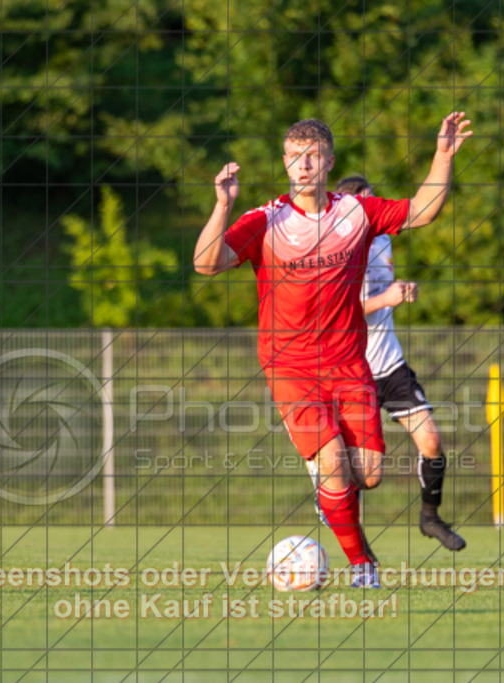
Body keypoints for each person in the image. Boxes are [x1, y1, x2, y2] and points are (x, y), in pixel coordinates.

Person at [194, 113, 472, 587]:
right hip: (291, 367)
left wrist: (442, 156)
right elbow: (206, 263)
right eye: (293, 157)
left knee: (369, 475)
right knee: (332, 466)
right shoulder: (265, 220)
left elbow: (422, 210)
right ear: (284, 162)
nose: (302, 166)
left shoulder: (355, 214)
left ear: (329, 162)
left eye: (312, 157)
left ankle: (331, 495)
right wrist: (222, 207)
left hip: (348, 364)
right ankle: (363, 564)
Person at [332, 174, 466, 551]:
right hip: (351, 371)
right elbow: (339, 313)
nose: (376, 206)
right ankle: (358, 548)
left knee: (432, 440)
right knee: (361, 472)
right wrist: (386, 298)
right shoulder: (336, 250)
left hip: (389, 365)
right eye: (367, 200)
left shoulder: (383, 238)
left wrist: (401, 290)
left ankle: (430, 518)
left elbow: (380, 292)